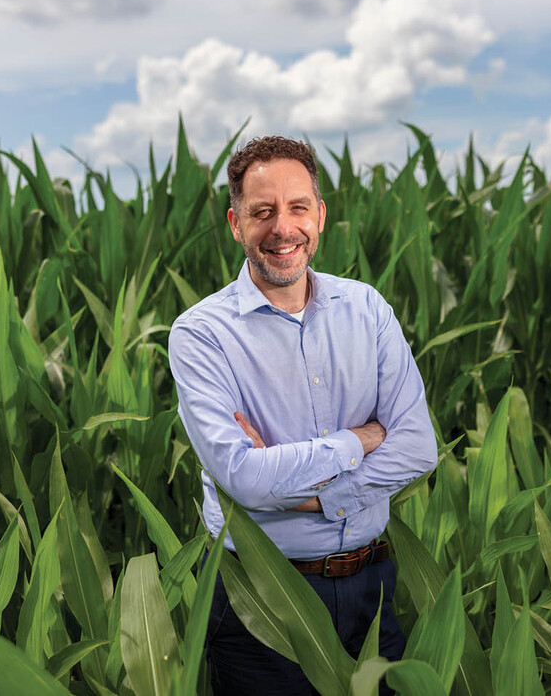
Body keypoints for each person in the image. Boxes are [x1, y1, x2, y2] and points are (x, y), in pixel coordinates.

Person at [167, 136, 438, 694]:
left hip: (373, 589)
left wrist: (306, 490)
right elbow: (241, 478)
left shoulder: (367, 309)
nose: (282, 228)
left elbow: (417, 448)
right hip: (258, 599)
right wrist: (360, 440)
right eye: (262, 212)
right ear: (235, 223)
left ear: (320, 215)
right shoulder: (201, 334)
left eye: (297, 208)